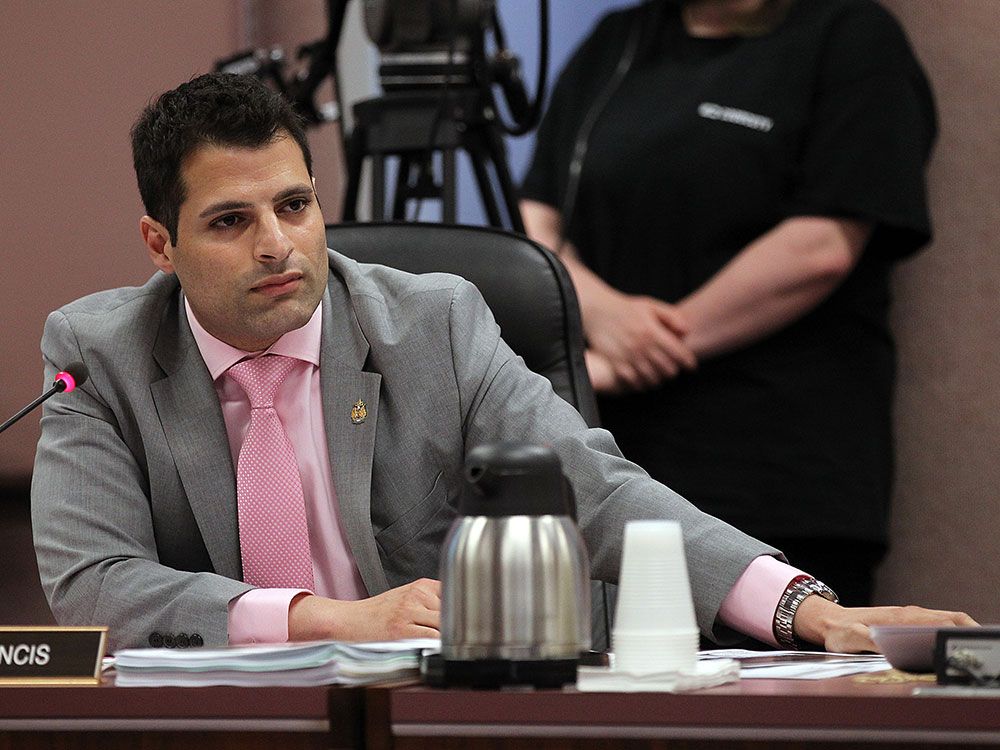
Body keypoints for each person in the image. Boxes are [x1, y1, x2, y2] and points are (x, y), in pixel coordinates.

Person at [31, 73, 972, 654]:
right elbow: (94, 586)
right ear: (160, 243)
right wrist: (323, 617)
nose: (278, 245)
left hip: (441, 722)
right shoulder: (97, 353)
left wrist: (805, 609)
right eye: (231, 222)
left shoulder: (432, 324)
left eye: (295, 205)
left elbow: (598, 491)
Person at [521, 0, 937, 606]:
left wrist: (655, 345)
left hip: (779, 469)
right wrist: (604, 313)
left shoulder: (850, 38)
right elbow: (538, 212)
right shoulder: (619, 40)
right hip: (618, 469)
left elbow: (822, 244)